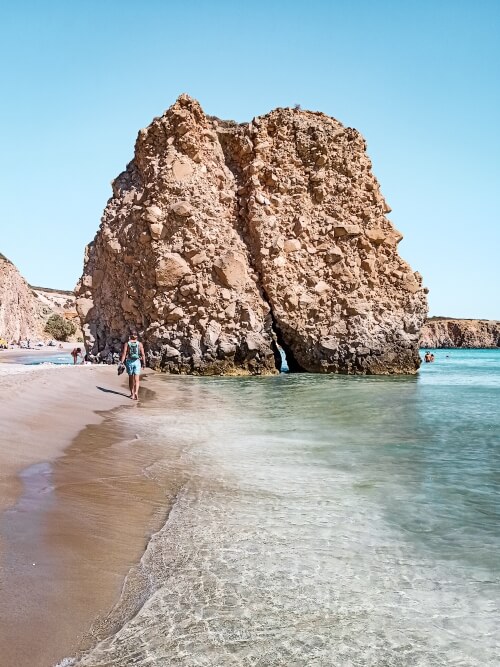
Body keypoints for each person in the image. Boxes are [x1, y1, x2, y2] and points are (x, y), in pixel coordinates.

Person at [120, 330, 146, 400]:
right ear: (136, 336)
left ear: (130, 336)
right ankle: (136, 392)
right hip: (137, 362)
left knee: (131, 379)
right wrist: (144, 363)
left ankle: (132, 394)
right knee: (137, 379)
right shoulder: (140, 344)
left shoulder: (127, 344)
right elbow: (143, 354)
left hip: (129, 362)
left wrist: (121, 362)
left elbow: (124, 354)